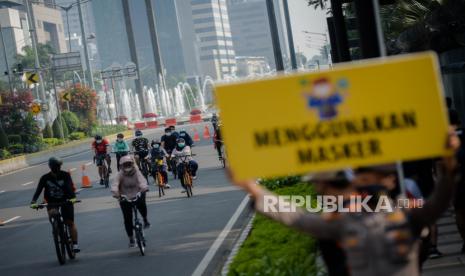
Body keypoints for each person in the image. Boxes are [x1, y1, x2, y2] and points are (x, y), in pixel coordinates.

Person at [230, 130, 460, 276]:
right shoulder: (342, 222)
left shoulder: (408, 214)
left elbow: (438, 202)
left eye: (374, 180)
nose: (368, 186)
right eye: (364, 180)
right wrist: (253, 189)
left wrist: (448, 163)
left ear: (389, 182)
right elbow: (297, 217)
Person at [30, 157, 80, 252]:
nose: (57, 168)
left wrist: (72, 198)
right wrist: (33, 201)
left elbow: (69, 186)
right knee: (53, 214)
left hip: (66, 200)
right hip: (52, 202)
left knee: (70, 223)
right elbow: (38, 190)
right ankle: (56, 228)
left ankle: (75, 244)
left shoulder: (65, 175)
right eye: (55, 166)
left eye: (58, 166)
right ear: (50, 166)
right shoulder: (45, 178)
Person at [111, 155, 150, 248]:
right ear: (121, 166)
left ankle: (145, 219)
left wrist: (144, 188)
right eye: (125, 164)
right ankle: (131, 238)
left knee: (142, 205)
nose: (127, 166)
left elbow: (142, 181)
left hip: (137, 193)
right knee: (127, 219)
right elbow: (115, 185)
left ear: (132, 164)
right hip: (124, 197)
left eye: (129, 164)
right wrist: (116, 193)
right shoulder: (119, 174)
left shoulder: (137, 172)